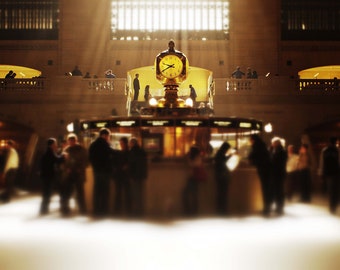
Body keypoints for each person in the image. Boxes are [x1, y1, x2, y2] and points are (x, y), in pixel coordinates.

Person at [89, 128, 117, 217]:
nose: (109, 138)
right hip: (105, 171)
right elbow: (113, 153)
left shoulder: (92, 145)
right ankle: (104, 210)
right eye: (108, 136)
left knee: (97, 191)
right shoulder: (105, 144)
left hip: (96, 171)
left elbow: (90, 158)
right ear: (104, 135)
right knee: (105, 191)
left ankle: (97, 210)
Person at [60, 133, 88, 216]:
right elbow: (62, 162)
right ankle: (68, 209)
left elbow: (85, 161)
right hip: (71, 173)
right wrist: (66, 169)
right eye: (70, 140)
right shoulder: (67, 150)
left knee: (79, 192)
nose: (71, 142)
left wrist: (80, 168)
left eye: (73, 140)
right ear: (68, 141)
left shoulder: (75, 149)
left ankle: (81, 209)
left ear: (75, 140)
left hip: (77, 173)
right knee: (69, 192)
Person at [39, 138, 65, 215]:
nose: (56, 145)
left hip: (45, 175)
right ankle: (44, 209)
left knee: (46, 192)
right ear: (52, 144)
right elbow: (57, 160)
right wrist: (63, 156)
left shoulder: (47, 151)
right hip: (48, 175)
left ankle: (44, 209)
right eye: (55, 143)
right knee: (47, 192)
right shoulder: (50, 152)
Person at [248, 134, 272, 216]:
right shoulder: (262, 145)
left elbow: (252, 156)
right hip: (267, 169)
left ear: (253, 140)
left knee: (265, 189)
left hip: (263, 169)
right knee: (267, 189)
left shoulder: (256, 146)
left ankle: (266, 208)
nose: (250, 142)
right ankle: (268, 207)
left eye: (250, 140)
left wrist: (251, 159)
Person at [182, 145, 207, 217]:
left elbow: (193, 165)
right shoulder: (197, 157)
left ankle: (191, 212)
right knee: (193, 195)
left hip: (194, 178)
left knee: (189, 194)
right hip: (193, 178)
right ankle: (192, 211)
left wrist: (188, 159)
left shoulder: (197, 158)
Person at [319, 137, 339, 214]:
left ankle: (332, 206)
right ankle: (334, 205)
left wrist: (321, 173)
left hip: (328, 173)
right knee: (335, 190)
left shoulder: (324, 150)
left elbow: (322, 163)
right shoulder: (337, 150)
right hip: (336, 172)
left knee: (331, 190)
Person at [128, 137, 147, 217]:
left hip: (134, 176)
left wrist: (131, 175)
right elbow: (144, 165)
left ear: (132, 143)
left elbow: (131, 164)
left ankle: (136, 212)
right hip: (141, 176)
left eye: (130, 143)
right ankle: (140, 211)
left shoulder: (132, 152)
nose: (129, 145)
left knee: (135, 194)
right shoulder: (142, 151)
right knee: (140, 193)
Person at [269, 137, 287, 215]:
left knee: (278, 191)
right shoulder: (279, 150)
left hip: (278, 173)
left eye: (273, 143)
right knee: (278, 190)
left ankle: (279, 206)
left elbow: (275, 162)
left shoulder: (280, 151)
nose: (272, 144)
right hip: (279, 173)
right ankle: (279, 206)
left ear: (277, 143)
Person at [113, 137, 131, 216]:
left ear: (126, 144)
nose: (121, 145)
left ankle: (124, 209)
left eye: (122, 143)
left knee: (125, 192)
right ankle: (120, 209)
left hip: (124, 175)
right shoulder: (123, 153)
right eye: (120, 143)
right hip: (120, 175)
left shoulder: (126, 153)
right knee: (119, 192)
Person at [214, 142, 233, 215]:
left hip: (219, 176)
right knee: (223, 193)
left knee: (221, 193)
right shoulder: (221, 155)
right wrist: (230, 157)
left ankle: (220, 209)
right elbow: (223, 163)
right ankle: (222, 209)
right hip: (223, 176)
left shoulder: (219, 154)